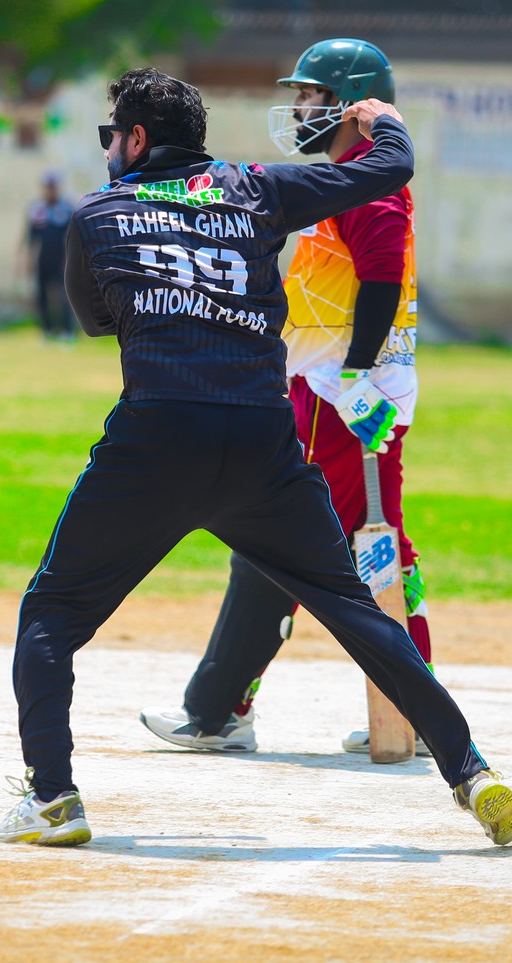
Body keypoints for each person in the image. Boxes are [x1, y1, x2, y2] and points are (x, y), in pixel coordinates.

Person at [0, 68, 512, 849]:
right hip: (263, 442)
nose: (106, 149)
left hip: (156, 441)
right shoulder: (256, 189)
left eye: (110, 134)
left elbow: (95, 319)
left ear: (137, 139)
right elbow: (388, 171)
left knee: (51, 614)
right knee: (354, 609)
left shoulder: (97, 213)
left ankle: (53, 798)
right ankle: (471, 771)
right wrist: (385, 120)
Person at [140, 38, 434, 758]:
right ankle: (405, 708)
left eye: (311, 95)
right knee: (332, 545)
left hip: (344, 400)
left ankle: (222, 710)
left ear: (353, 105)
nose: (299, 108)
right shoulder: (346, 179)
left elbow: (382, 275)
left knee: (301, 542)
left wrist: (358, 375)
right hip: (326, 392)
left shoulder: (369, 184)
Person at [25, 170, 75, 340]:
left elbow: (71, 236)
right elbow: (31, 237)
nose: (50, 190)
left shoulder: (66, 209)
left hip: (62, 259)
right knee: (42, 296)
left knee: (65, 295)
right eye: (48, 187)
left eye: (53, 187)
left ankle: (67, 331)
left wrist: (71, 259)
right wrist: (28, 260)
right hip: (43, 259)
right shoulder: (37, 210)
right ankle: (47, 330)